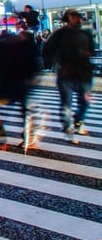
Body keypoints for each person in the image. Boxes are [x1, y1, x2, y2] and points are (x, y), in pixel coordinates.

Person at [41, 9, 94, 143]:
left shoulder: (85, 33)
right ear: (69, 18)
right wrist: (55, 64)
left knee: (85, 102)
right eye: (76, 17)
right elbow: (47, 49)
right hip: (67, 73)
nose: (79, 20)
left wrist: (86, 53)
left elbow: (92, 50)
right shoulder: (59, 34)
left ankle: (78, 121)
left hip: (83, 73)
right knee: (66, 104)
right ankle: (68, 129)